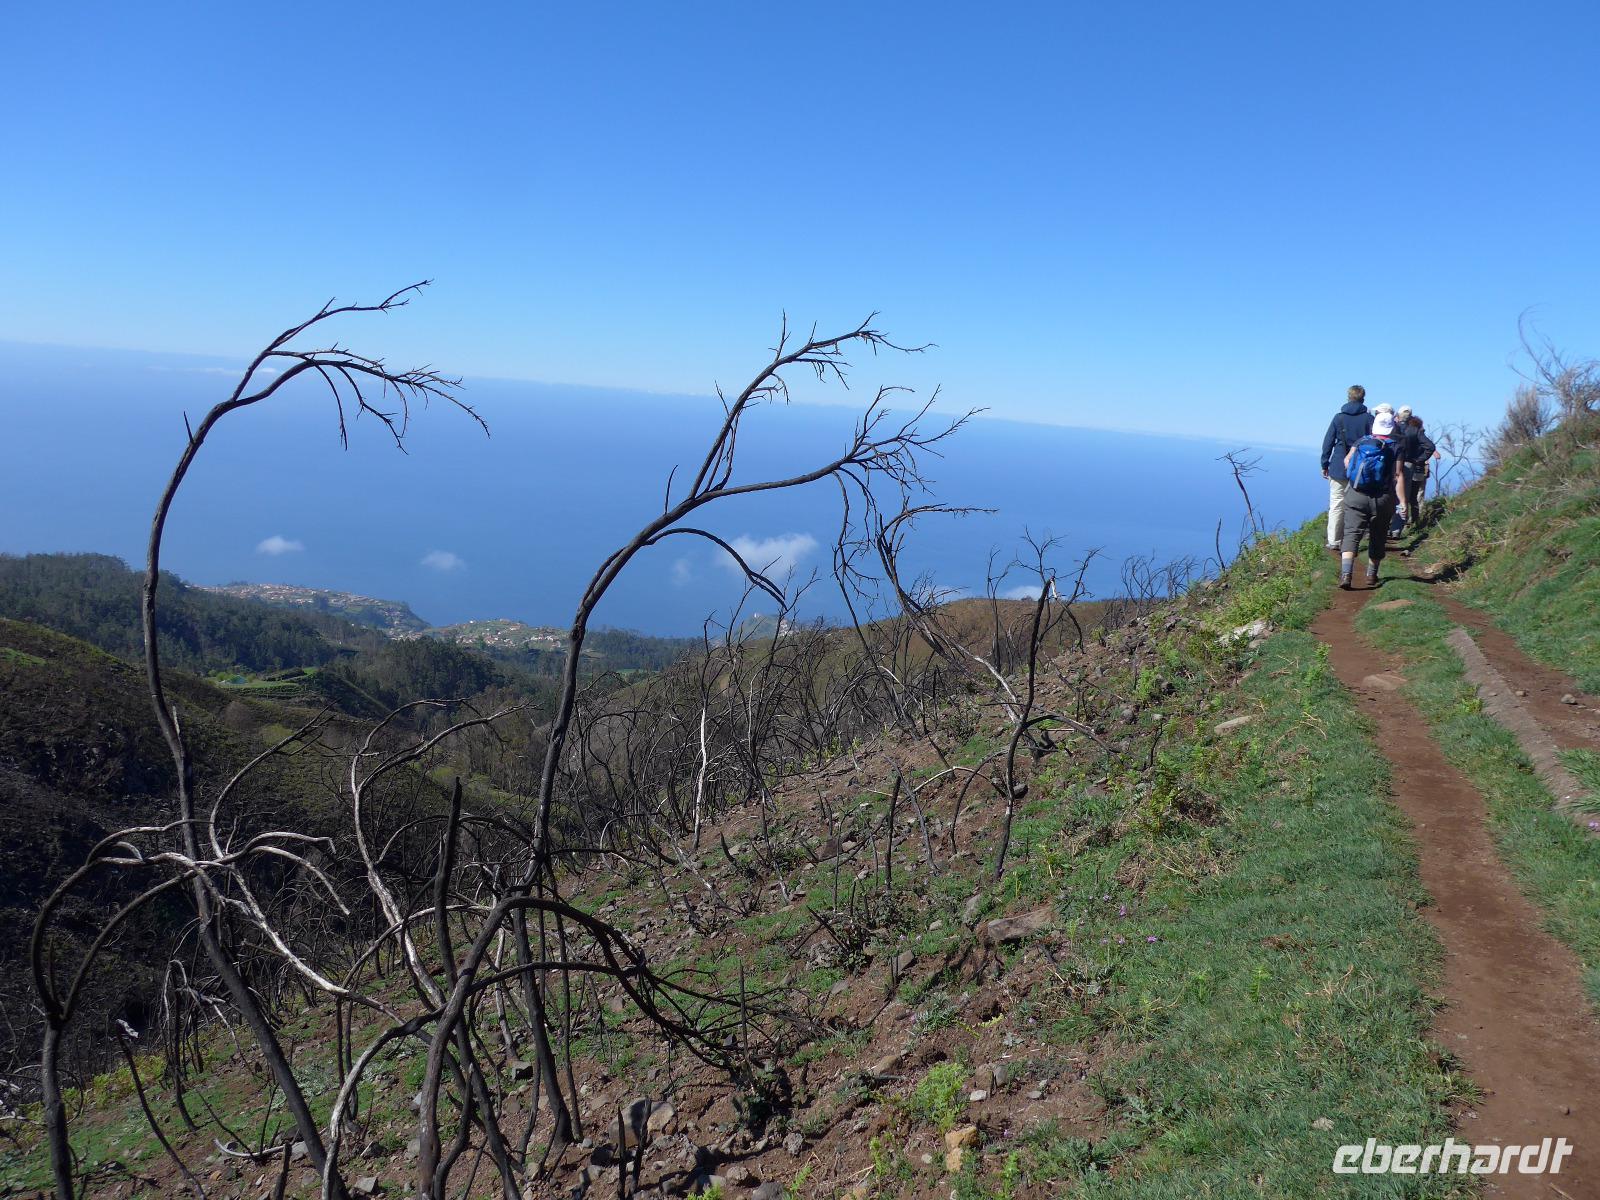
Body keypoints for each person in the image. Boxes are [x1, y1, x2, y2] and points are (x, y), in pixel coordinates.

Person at [1339, 410, 1406, 589]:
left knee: (1352, 533)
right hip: (1383, 498)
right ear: (1391, 428)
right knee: (1378, 534)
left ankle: (1346, 574)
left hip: (1356, 494)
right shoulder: (1396, 446)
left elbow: (1347, 462)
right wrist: (1402, 501)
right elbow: (1397, 475)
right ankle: (1371, 575)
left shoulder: (1361, 441)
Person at [1320, 385, 1373, 551]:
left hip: (1338, 466)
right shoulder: (1369, 419)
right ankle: (1351, 541)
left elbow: (1328, 442)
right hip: (1360, 469)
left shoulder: (1339, 418)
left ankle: (1334, 541)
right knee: (1356, 505)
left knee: (1336, 503)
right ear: (1363, 399)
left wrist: (1324, 463)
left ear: (1348, 398)